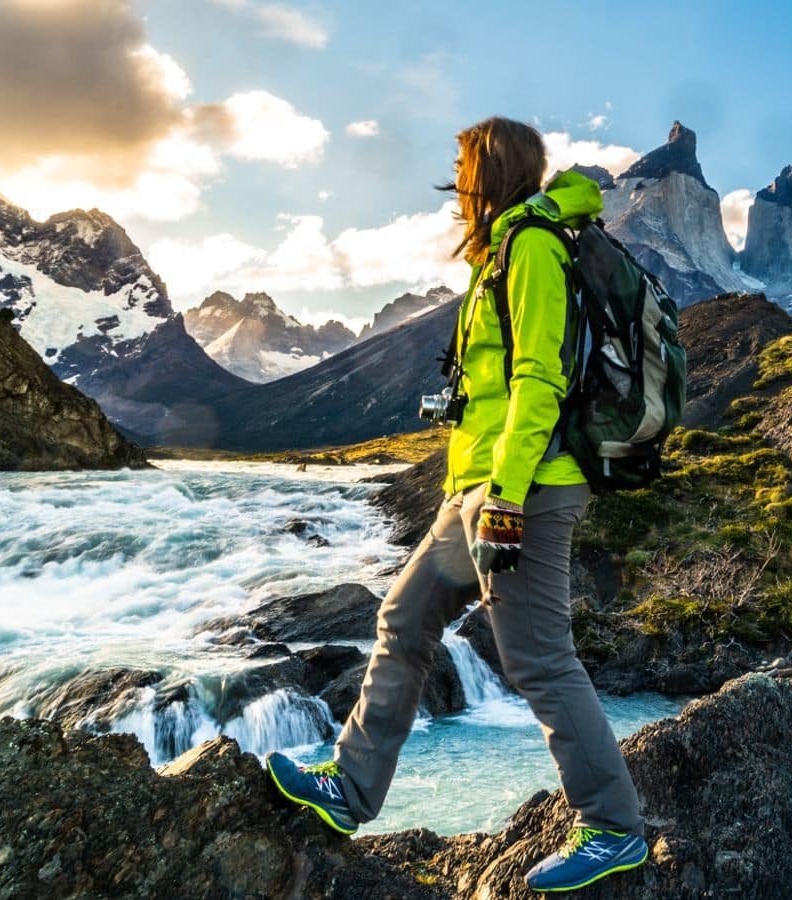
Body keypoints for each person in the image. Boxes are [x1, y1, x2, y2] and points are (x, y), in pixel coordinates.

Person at [263, 116, 647, 893]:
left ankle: (614, 828)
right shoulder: (504, 249)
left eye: (465, 168)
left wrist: (504, 497)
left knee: (538, 659)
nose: (457, 185)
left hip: (524, 490)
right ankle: (351, 787)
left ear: (490, 171)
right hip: (473, 490)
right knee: (403, 621)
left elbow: (540, 380)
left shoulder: (534, 247)